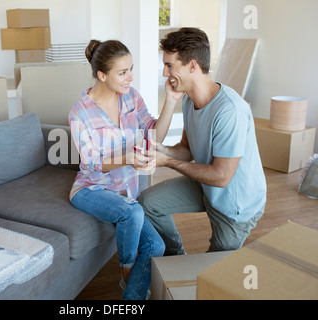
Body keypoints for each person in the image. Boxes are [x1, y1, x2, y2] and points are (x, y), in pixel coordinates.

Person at [138, 28, 267, 255]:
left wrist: (167, 162)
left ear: (192, 66)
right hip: (207, 185)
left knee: (211, 274)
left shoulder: (230, 110)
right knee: (148, 203)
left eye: (169, 65)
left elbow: (221, 177)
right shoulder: (189, 100)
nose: (164, 73)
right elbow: (186, 150)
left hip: (234, 204)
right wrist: (162, 149)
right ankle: (175, 256)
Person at [69, 39, 180, 299]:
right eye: (122, 72)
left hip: (123, 192)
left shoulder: (131, 97)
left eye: (131, 69)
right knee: (131, 212)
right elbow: (91, 163)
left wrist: (171, 101)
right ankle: (128, 275)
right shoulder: (80, 112)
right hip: (90, 189)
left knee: (156, 245)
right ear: (102, 75)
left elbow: (154, 134)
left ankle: (131, 295)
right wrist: (127, 158)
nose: (130, 77)